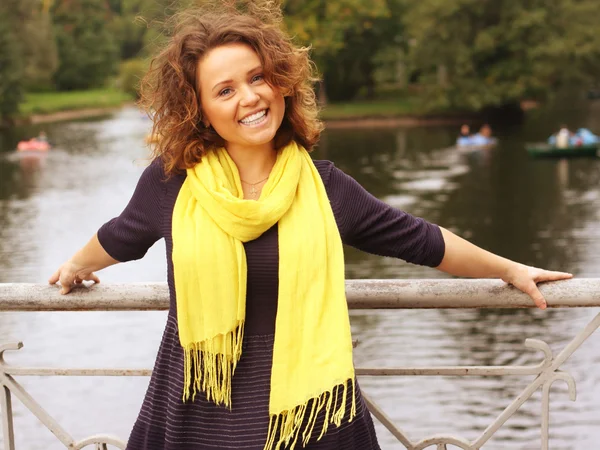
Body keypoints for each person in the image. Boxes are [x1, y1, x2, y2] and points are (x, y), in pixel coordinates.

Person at [48, 2, 572, 449]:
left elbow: (420, 239)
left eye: (257, 78)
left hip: (309, 423)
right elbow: (121, 235)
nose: (250, 98)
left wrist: (509, 269)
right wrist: (76, 263)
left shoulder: (324, 186)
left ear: (281, 83)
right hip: (195, 417)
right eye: (225, 90)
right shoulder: (171, 185)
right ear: (201, 110)